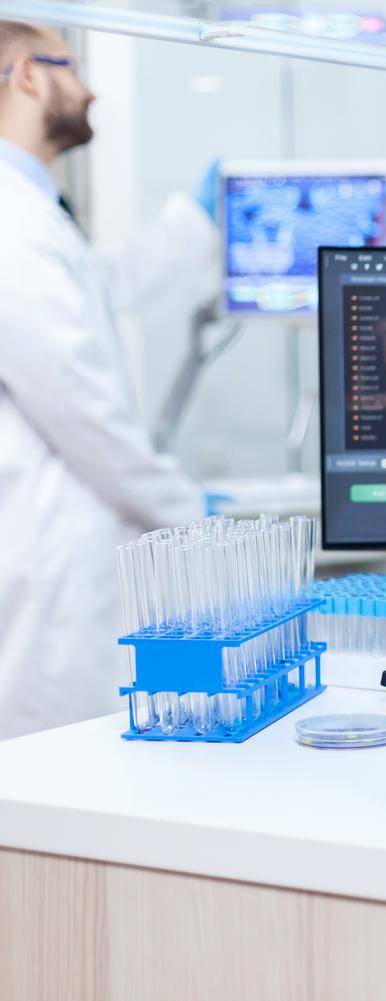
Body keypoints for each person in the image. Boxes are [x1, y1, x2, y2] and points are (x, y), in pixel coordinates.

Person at [0, 21, 217, 741]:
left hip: (61, 554)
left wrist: (192, 220)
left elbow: (96, 284)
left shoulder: (33, 215)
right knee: (55, 797)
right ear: (29, 74)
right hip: (45, 566)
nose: (89, 89)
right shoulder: (12, 222)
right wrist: (189, 513)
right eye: (73, 68)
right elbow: (82, 407)